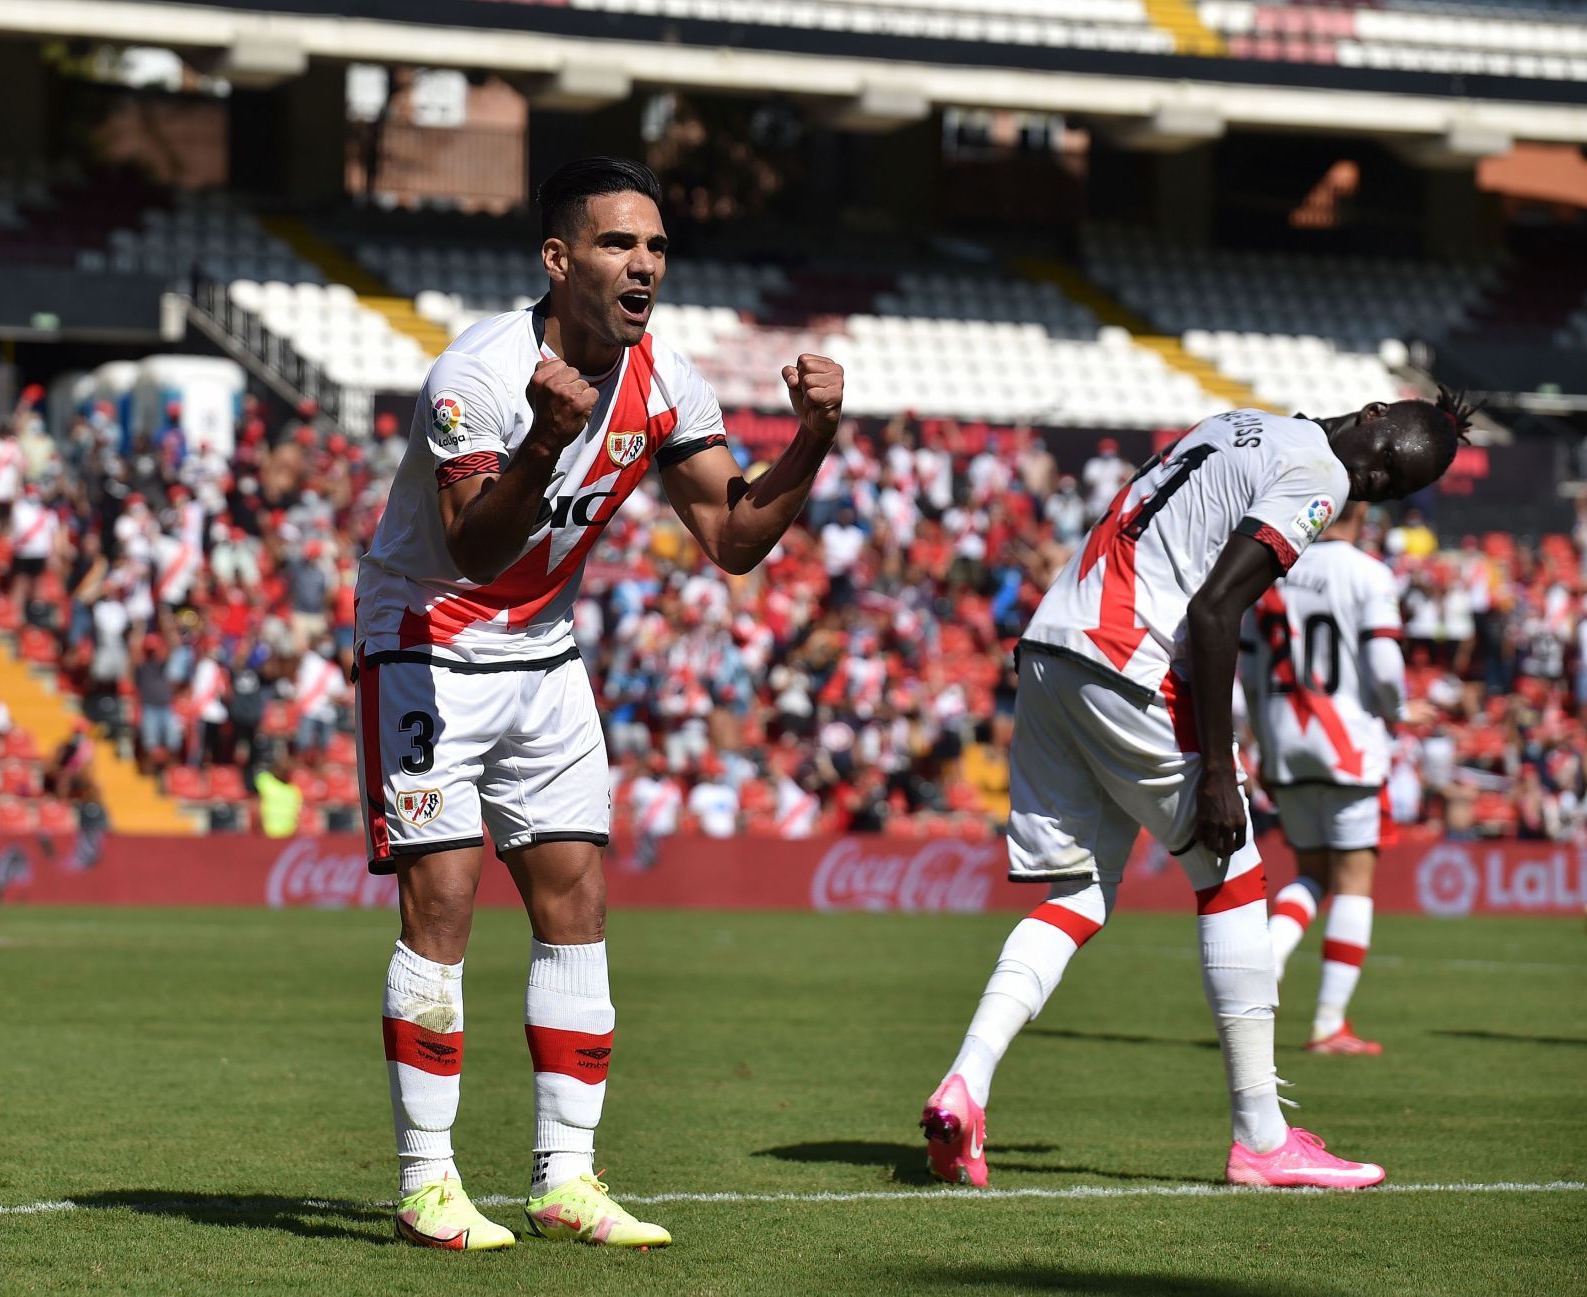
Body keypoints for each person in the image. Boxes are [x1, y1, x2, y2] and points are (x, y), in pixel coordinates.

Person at [355, 157, 844, 1251]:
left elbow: (732, 541)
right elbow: (474, 549)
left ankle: (563, 1178)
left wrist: (811, 438)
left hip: (544, 653)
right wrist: (542, 435)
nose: (644, 266)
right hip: (428, 642)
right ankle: (426, 1183)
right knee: (441, 906)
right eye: (621, 244)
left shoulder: (666, 377)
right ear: (558, 258)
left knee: (576, 905)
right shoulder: (475, 374)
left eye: (658, 247)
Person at [922, 391, 1475, 1192]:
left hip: (1050, 647)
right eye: (1385, 458)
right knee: (1235, 877)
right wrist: (1219, 766)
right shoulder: (1318, 469)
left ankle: (964, 1085)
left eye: (1391, 485)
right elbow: (1217, 611)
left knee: (1077, 892)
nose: (1375, 477)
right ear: (1372, 412)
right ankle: (1260, 1137)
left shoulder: (1235, 424)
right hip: (1132, 658)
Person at [1241, 500, 1405, 1055]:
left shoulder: (1269, 577)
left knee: (1312, 871)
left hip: (1283, 743)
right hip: (1349, 744)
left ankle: (1267, 954)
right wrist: (1398, 712)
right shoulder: (1369, 573)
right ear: (1362, 513)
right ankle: (1329, 1024)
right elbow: (1384, 668)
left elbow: (1243, 671)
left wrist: (1254, 739)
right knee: (1355, 881)